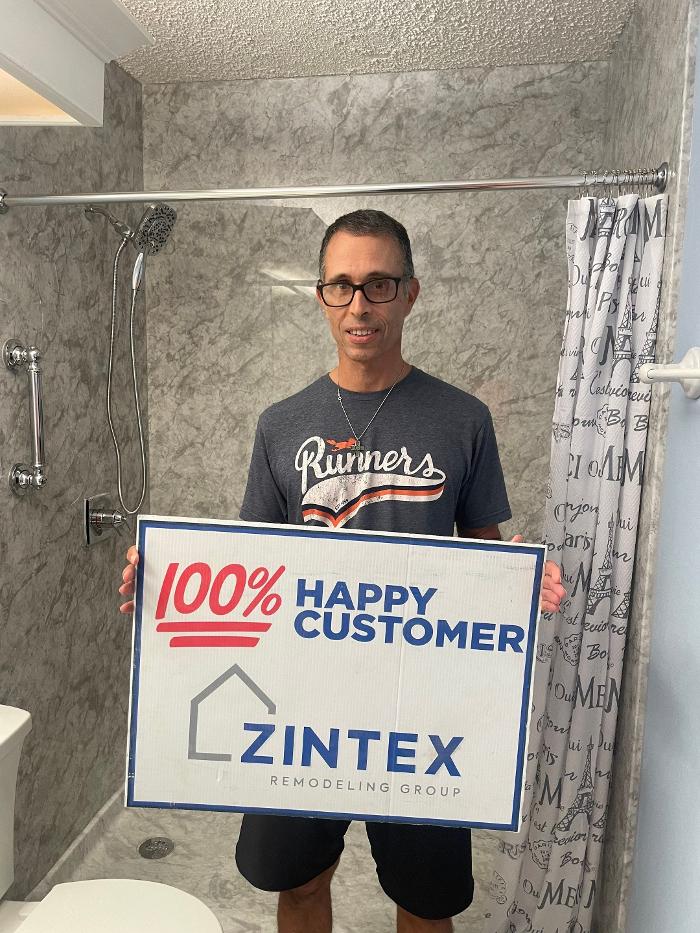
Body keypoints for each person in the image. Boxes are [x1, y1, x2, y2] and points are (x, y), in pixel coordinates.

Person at [118, 209, 565, 933]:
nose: (360, 305)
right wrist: (169, 578)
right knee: (297, 884)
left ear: (410, 293)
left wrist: (521, 580)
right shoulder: (281, 423)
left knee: (426, 902)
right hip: (301, 705)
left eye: (379, 284)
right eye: (342, 285)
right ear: (321, 296)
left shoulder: (463, 419)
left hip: (419, 710)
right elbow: (250, 562)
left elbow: (485, 554)